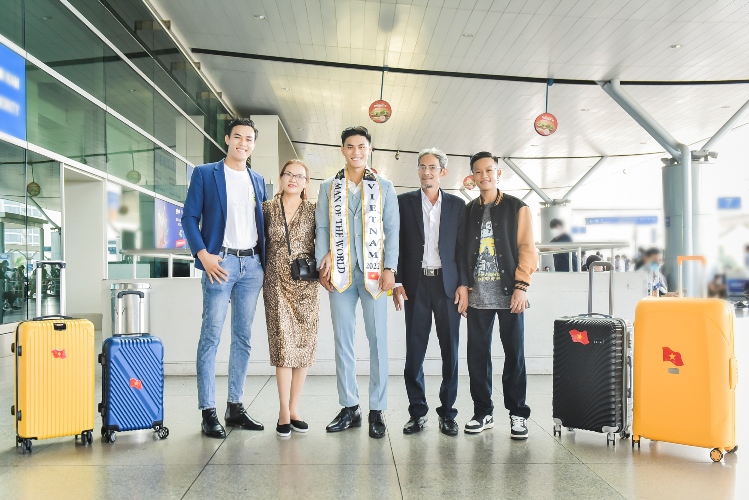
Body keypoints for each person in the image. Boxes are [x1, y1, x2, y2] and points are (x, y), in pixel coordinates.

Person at [182, 117, 268, 439]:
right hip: (220, 263)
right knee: (211, 337)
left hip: (252, 266)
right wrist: (203, 254)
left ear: (253, 144)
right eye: (238, 137)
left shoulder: (257, 180)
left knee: (243, 338)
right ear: (227, 139)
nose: (243, 143)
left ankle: (235, 406)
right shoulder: (206, 173)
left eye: (249, 139)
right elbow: (189, 217)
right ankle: (208, 411)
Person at [315, 126, 400, 439]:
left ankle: (377, 408)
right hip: (340, 274)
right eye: (350, 146)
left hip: (374, 274)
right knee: (343, 341)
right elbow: (322, 228)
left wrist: (390, 267)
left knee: (378, 342)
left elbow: (393, 230)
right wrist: (322, 260)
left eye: (361, 146)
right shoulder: (328, 187)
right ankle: (350, 406)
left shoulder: (384, 186)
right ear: (343, 150)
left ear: (369, 149)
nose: (356, 152)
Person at [461, 152, 538, 439]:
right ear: (472, 177)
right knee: (477, 357)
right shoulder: (468, 211)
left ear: (498, 173)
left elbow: (527, 248)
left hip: (510, 295)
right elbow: (461, 253)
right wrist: (464, 287)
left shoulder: (517, 207)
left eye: (489, 170)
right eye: (478, 172)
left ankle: (518, 414)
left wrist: (521, 286)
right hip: (477, 295)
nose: (484, 176)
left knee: (514, 355)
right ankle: (483, 412)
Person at [393, 148, 468, 437]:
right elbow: (396, 244)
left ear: (443, 172)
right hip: (416, 286)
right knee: (414, 353)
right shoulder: (403, 202)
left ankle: (448, 413)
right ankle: (417, 412)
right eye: (422, 167)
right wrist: (397, 282)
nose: (426, 172)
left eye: (432, 167)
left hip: (447, 287)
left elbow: (462, 249)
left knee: (450, 352)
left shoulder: (457, 205)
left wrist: (463, 284)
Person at [262, 160, 319, 438]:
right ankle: (283, 411)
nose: (293, 179)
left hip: (306, 284)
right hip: (275, 283)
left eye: (300, 176)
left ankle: (295, 409)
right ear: (281, 177)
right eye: (289, 174)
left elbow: (326, 243)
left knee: (303, 347)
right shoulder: (266, 209)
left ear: (306, 182)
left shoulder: (314, 210)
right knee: (283, 346)